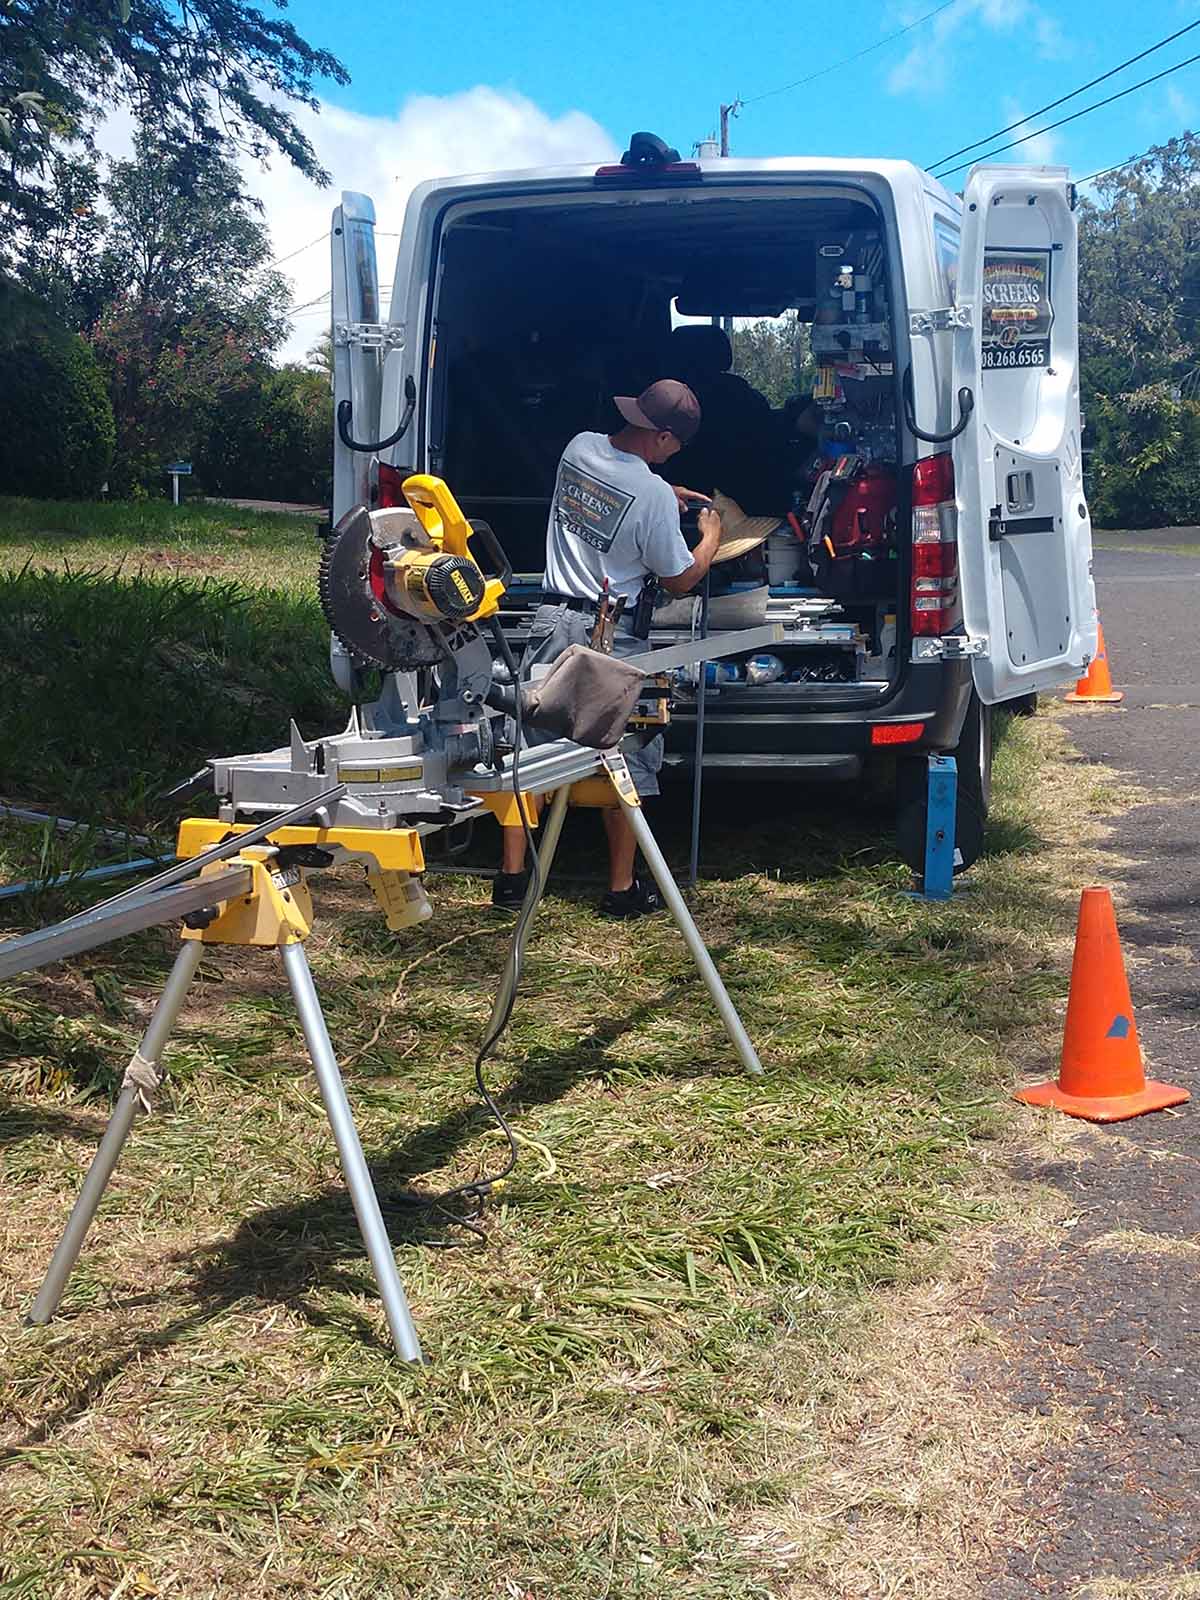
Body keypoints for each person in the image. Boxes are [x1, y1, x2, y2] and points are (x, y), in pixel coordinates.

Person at [494, 378, 722, 918]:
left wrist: (667, 491)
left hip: (553, 619)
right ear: (664, 437)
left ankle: (510, 883)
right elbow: (679, 579)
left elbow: (614, 492)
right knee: (624, 756)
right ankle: (621, 889)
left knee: (530, 749)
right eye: (674, 446)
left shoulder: (580, 446)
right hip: (613, 634)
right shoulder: (649, 496)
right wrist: (711, 534)